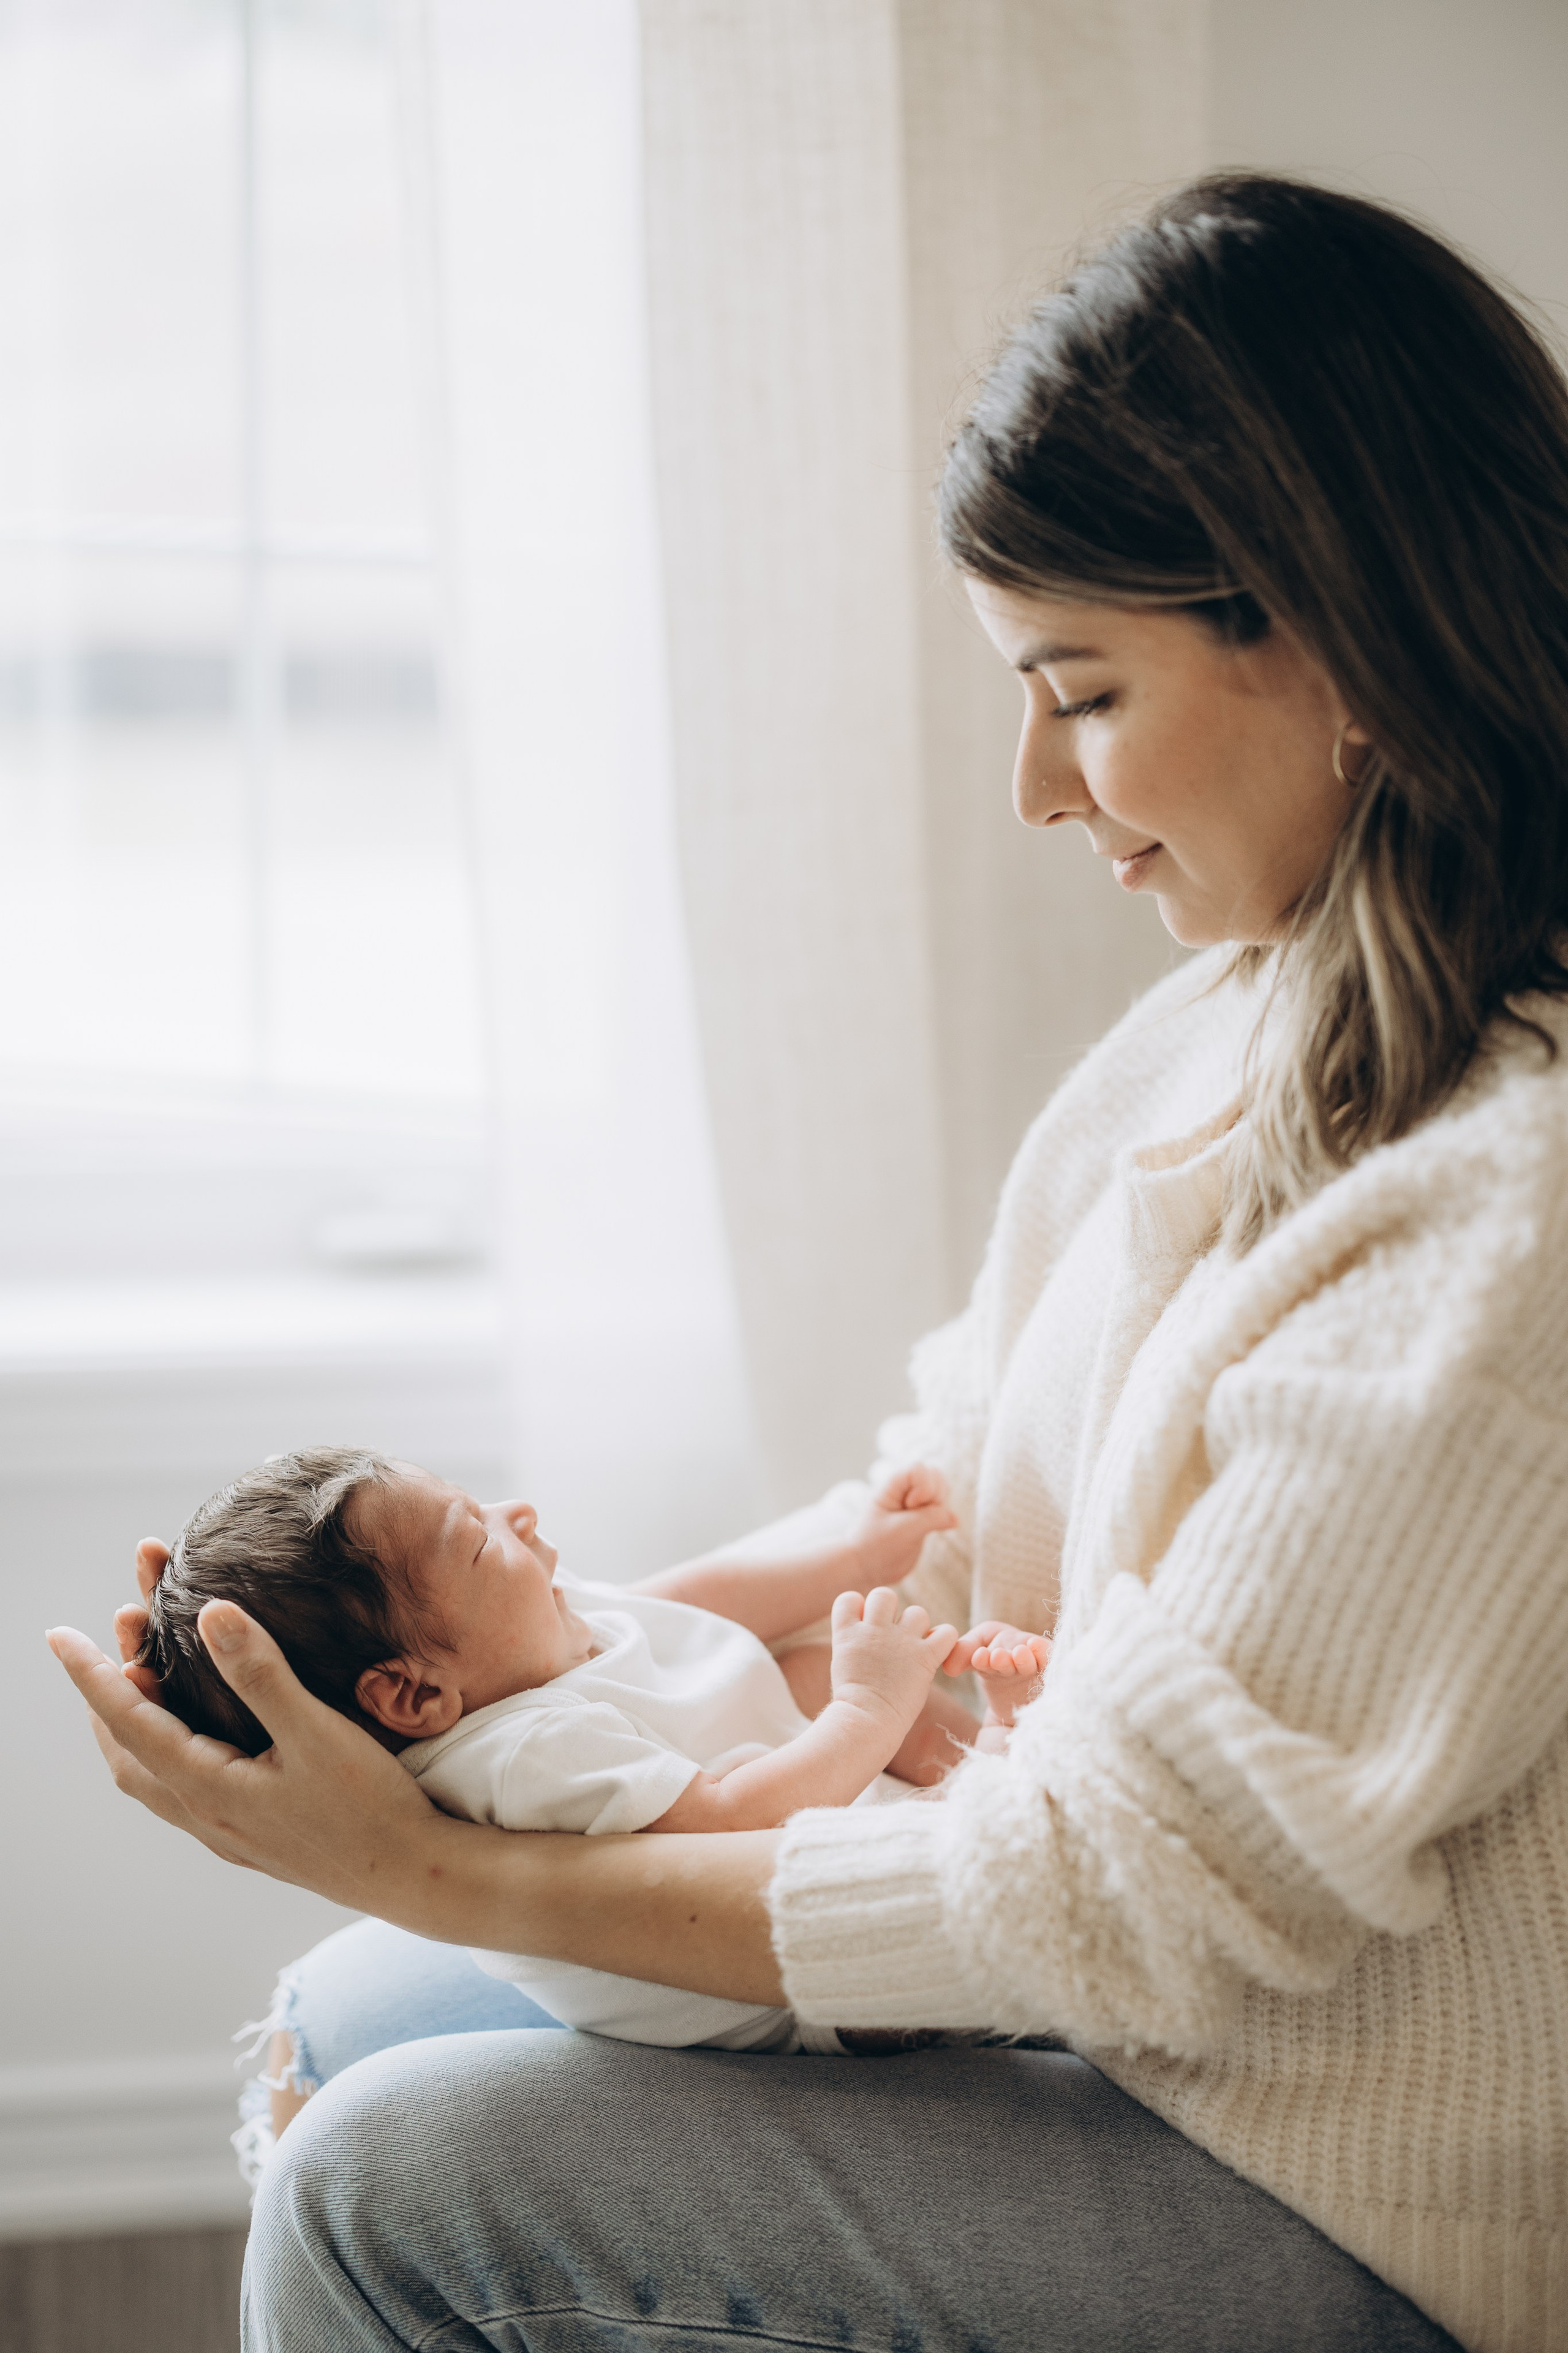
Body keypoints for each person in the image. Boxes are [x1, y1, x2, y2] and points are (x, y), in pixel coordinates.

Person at [50, 169, 1568, 2351]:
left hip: (1350, 2167)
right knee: (342, 2007)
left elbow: (1135, 1906)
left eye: (1082, 686)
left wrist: (446, 1859)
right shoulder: (1239, 1006)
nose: (1040, 786)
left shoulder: (1506, 1220)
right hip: (1141, 2015)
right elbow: (945, 1488)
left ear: (1335, 636)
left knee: (394, 2183)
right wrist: (478, 1721)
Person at [141, 1445, 1041, 2061]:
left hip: (757, 1824)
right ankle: (993, 1783)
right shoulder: (521, 1755)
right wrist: (868, 1707)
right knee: (831, 1689)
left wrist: (852, 1555)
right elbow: (734, 1823)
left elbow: (695, 1605)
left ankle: (978, 1769)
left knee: (795, 1663)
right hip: (810, 2000)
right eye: (479, 1536)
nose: (516, 1513)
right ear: (415, 1694)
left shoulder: (514, 1644)